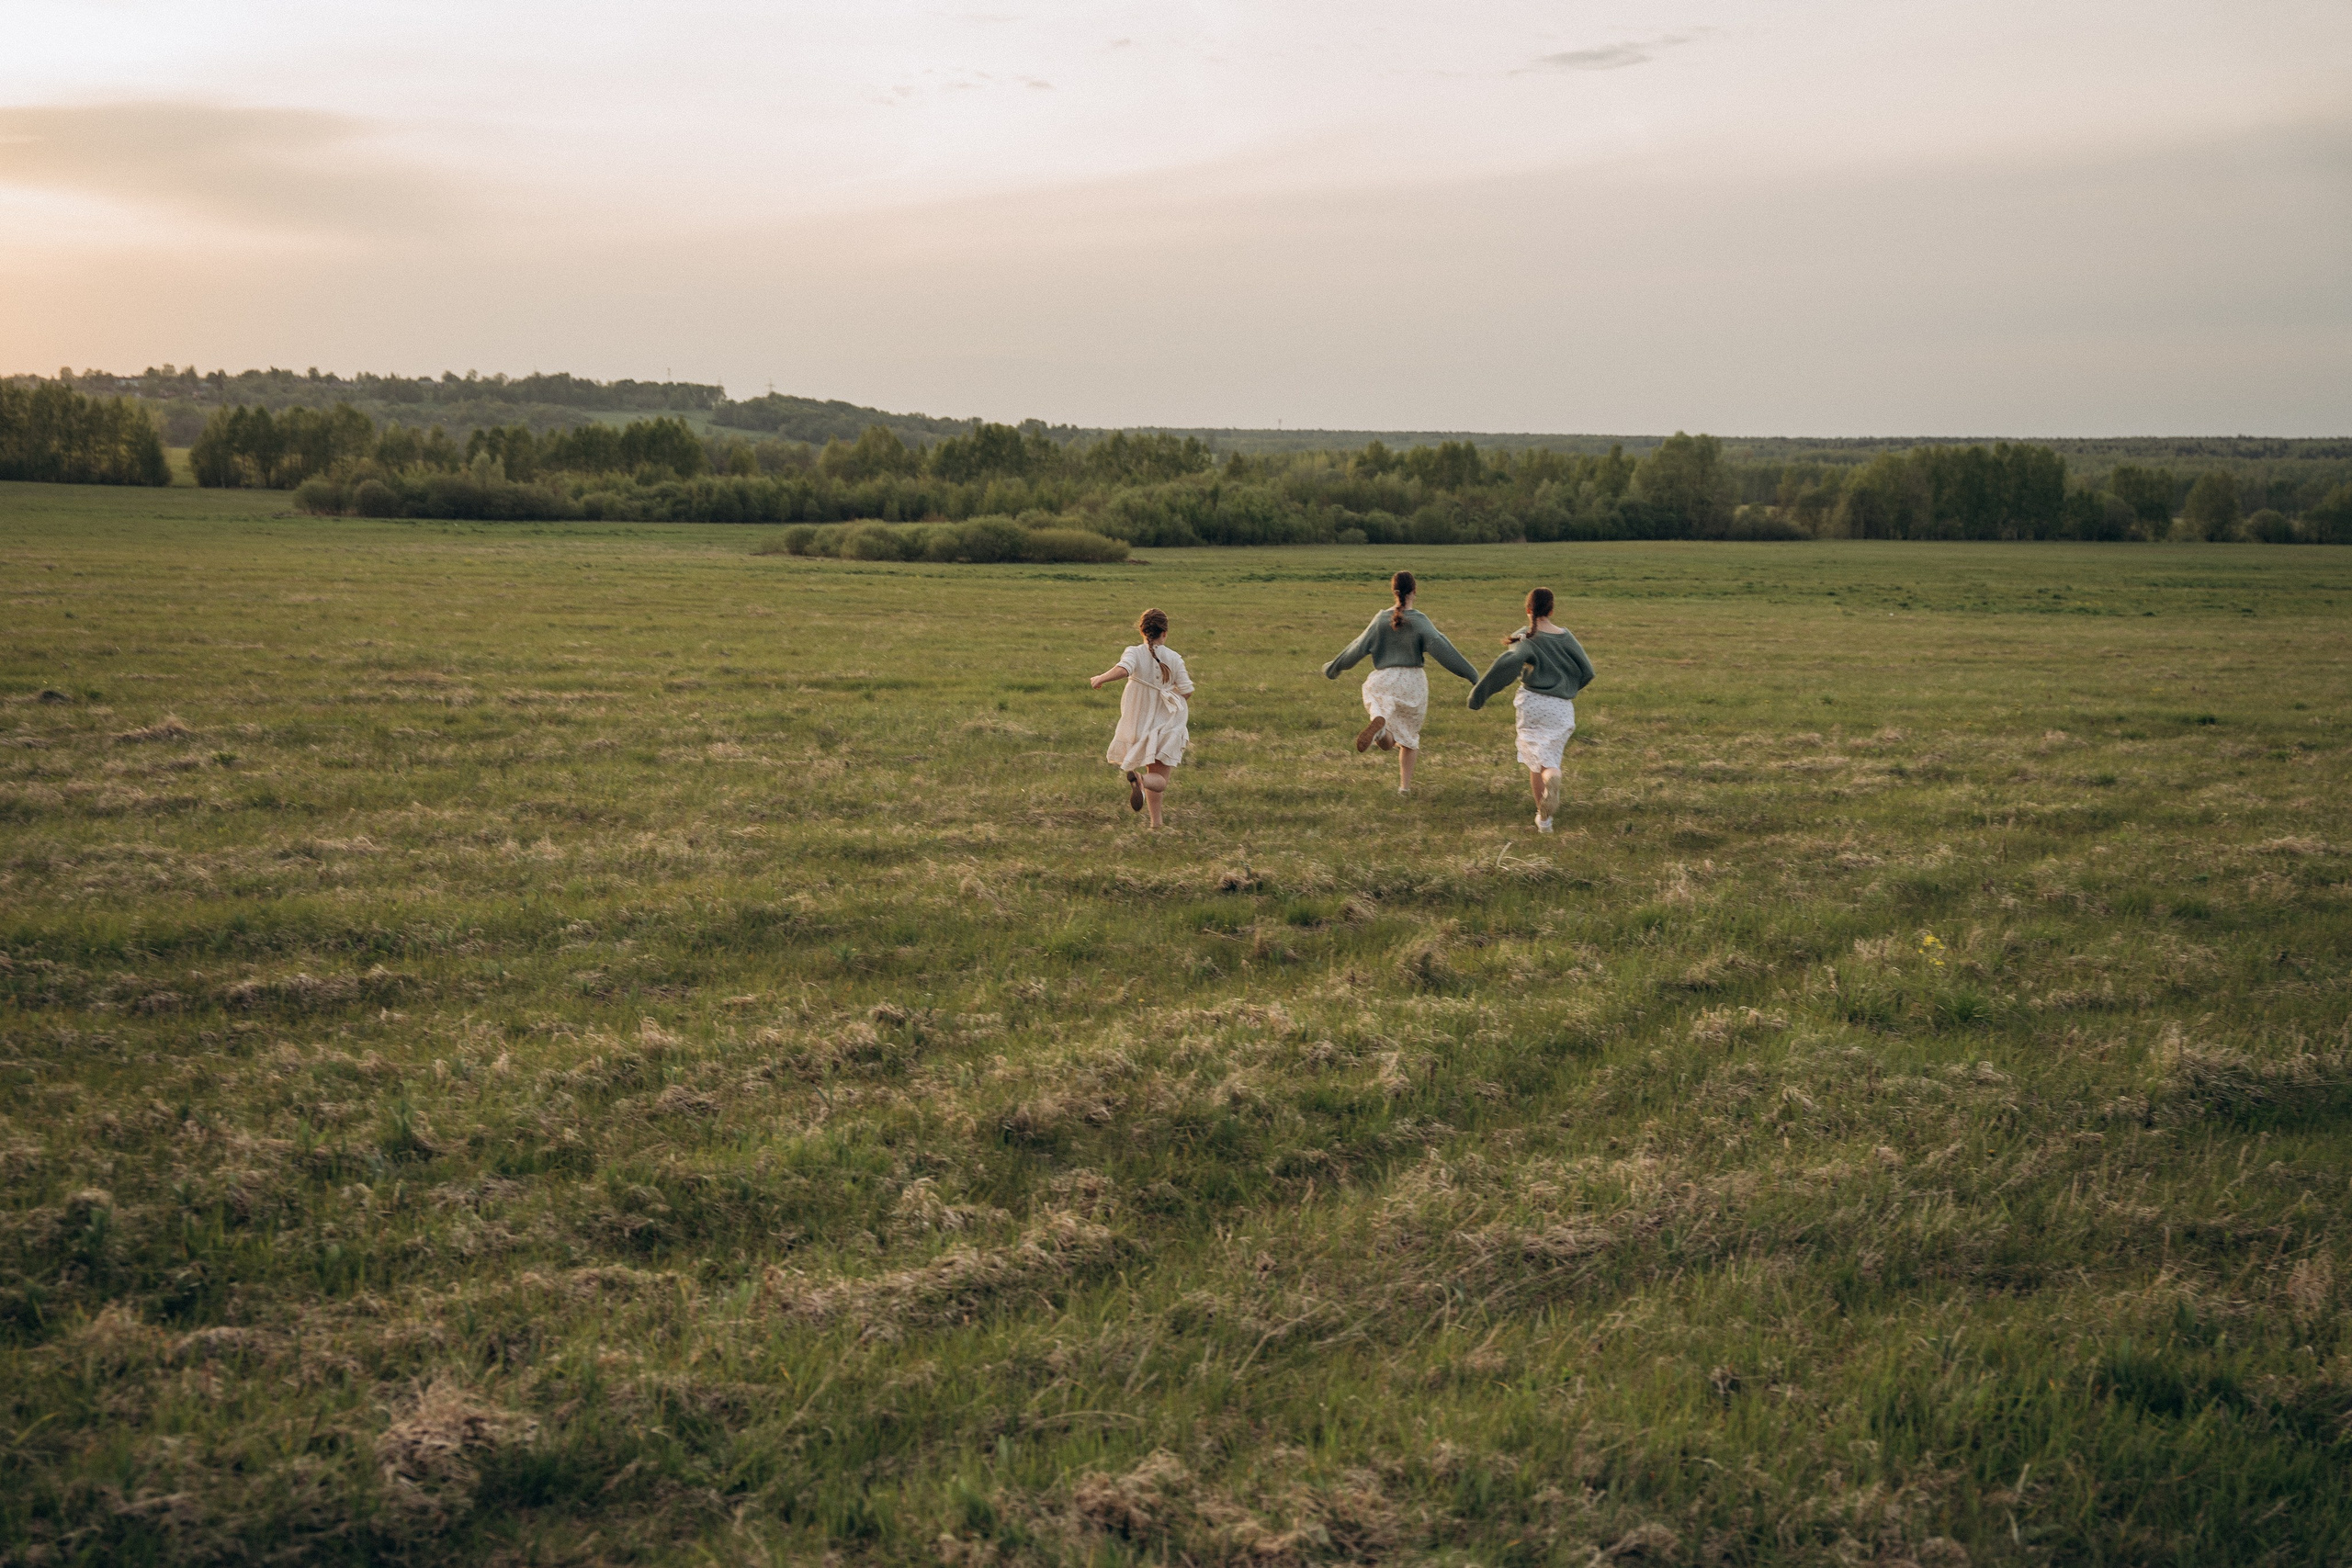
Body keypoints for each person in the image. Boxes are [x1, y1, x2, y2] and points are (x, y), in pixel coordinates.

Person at [1321, 570, 1479, 794]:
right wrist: (1472, 675)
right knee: (1408, 739)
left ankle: (1380, 730)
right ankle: (1404, 788)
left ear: (1393, 591)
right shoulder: (1420, 622)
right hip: (1412, 684)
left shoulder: (1380, 621)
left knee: (1387, 734)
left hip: (1383, 680)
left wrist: (1333, 668)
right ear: (1414, 591)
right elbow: (1445, 651)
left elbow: (1357, 648)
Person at [1467, 587, 1595, 833]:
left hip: (1532, 703)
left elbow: (1507, 665)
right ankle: (1552, 779)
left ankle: (1544, 821)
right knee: (1551, 760)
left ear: (1528, 610)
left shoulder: (1525, 637)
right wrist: (1569, 688)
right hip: (1561, 707)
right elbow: (1588, 671)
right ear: (1552, 610)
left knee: (1536, 761)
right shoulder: (1566, 636)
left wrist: (1478, 695)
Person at [1090, 607, 1193, 829]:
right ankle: (1142, 782)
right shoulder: (1174, 658)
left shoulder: (1134, 652)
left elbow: (1123, 669)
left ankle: (1156, 824)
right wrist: (1168, 693)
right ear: (1165, 632)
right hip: (1166, 725)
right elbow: (1187, 690)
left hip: (1138, 723)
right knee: (1160, 780)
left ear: (1142, 631)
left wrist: (1100, 678)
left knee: (1151, 771)